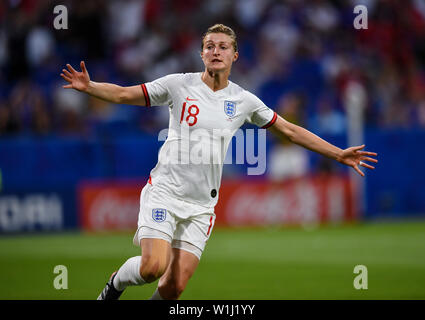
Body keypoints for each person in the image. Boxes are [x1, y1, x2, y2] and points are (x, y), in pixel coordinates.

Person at [60, 24, 378, 300]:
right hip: (165, 194)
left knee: (173, 289)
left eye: (223, 46)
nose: (216, 51)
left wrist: (337, 153)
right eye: (209, 46)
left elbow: (290, 130)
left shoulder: (243, 101)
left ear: (234, 55)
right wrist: (91, 87)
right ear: (201, 53)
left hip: (201, 207)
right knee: (152, 267)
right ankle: (114, 284)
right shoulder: (178, 85)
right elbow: (124, 94)